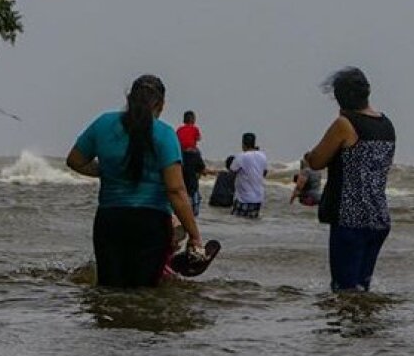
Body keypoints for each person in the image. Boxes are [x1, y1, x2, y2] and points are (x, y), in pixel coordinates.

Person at [65, 74, 204, 288]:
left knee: (108, 289)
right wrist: (194, 236)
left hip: (109, 219)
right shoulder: (165, 134)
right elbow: (175, 190)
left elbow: (75, 161)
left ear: (129, 99)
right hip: (151, 223)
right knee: (143, 291)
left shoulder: (103, 124)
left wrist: (106, 170)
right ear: (161, 104)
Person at [304, 67, 396, 292]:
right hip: (378, 217)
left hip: (349, 217)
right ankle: (365, 316)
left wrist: (307, 156)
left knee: (343, 289)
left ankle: (347, 316)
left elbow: (316, 161)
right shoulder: (386, 125)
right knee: (361, 287)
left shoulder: (345, 124)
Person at [230, 133, 268, 218]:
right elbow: (264, 172)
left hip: (243, 198)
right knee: (252, 222)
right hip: (258, 198)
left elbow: (232, 172)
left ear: (243, 144)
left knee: (237, 221)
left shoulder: (241, 157)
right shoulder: (262, 156)